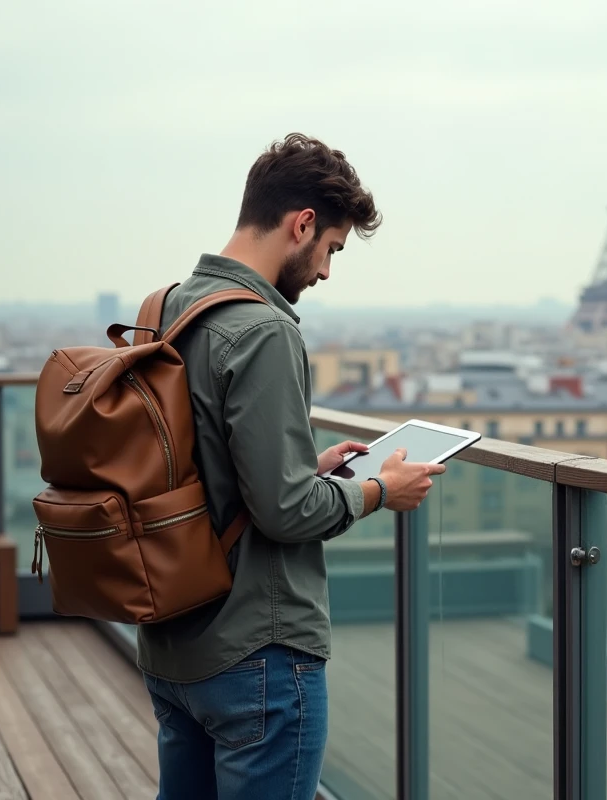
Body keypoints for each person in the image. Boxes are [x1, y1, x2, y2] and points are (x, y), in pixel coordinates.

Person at [137, 132, 446, 800]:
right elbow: (283, 512)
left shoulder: (168, 308)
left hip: (174, 644)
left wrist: (311, 467)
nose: (327, 271)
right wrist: (377, 490)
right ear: (301, 223)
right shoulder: (264, 330)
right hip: (258, 653)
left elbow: (211, 468)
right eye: (332, 248)